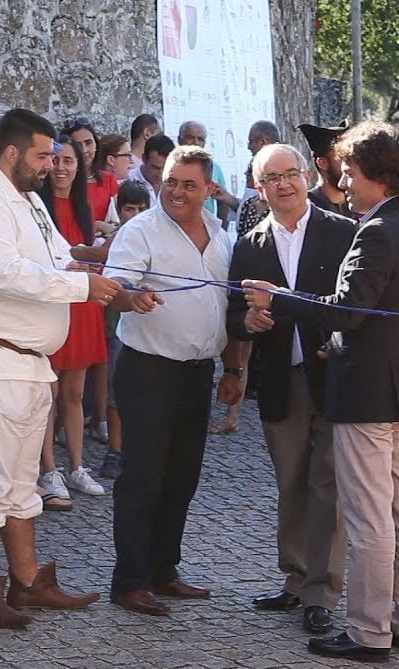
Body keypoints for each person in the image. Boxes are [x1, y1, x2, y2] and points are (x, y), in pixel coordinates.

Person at [244, 121, 399, 662]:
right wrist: (335, 339)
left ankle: (370, 631)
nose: (344, 182)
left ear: (379, 174)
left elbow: (349, 310)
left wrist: (277, 298)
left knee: (371, 516)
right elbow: (379, 312)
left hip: (369, 396)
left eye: (349, 172)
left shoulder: (378, 229)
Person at [0, 108, 124, 628]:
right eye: (43, 156)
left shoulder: (29, 200)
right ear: (12, 152)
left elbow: (60, 258)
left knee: (20, 480)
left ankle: (27, 581)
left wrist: (108, 272)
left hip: (26, 359)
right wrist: (84, 285)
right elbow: (4, 275)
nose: (52, 166)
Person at [105, 145, 247, 617]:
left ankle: (164, 570)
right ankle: (130, 580)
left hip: (198, 371)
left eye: (189, 184)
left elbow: (228, 307)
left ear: (210, 189)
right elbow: (116, 287)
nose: (177, 192)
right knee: (142, 478)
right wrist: (132, 297)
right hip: (148, 369)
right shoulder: (140, 231)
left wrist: (233, 369)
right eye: (170, 181)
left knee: (182, 477)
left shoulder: (222, 236)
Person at [227, 143, 355, 635]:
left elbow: (354, 306)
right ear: (258, 189)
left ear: (305, 175)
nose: (283, 184)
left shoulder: (342, 232)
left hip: (333, 375)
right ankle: (296, 579)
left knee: (327, 486)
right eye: (271, 178)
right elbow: (231, 316)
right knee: (291, 483)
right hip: (282, 380)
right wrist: (248, 321)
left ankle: (322, 592)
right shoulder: (249, 245)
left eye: (290, 174)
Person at [38, 135, 108, 499]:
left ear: (79, 167)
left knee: (75, 392)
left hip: (81, 303)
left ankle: (77, 466)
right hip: (52, 303)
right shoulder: (37, 206)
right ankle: (49, 469)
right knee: (48, 393)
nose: (61, 168)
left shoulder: (84, 208)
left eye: (68, 161)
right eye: (56, 160)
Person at [94, 181, 153, 482]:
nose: (135, 215)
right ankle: (115, 450)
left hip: (148, 328)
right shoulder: (117, 238)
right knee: (115, 391)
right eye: (130, 209)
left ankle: (138, 449)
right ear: (119, 211)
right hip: (116, 326)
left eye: (142, 209)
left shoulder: (155, 237)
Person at [61, 117, 120, 238]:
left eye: (88, 143)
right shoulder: (62, 181)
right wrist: (97, 226)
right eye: (78, 145)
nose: (84, 150)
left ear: (96, 145)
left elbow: (121, 217)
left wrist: (103, 227)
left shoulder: (108, 180)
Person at [177, 121, 240, 221]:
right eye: (190, 137)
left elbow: (222, 201)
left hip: (205, 225)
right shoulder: (170, 166)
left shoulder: (214, 168)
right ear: (179, 140)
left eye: (200, 139)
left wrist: (221, 228)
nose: (195, 143)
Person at [298, 121, 350, 217]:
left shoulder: (358, 203)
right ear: (322, 163)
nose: (348, 166)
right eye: (342, 159)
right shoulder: (306, 208)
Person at [128, 134, 174, 203]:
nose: (160, 174)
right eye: (155, 168)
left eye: (165, 168)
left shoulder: (175, 184)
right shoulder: (128, 180)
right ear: (144, 159)